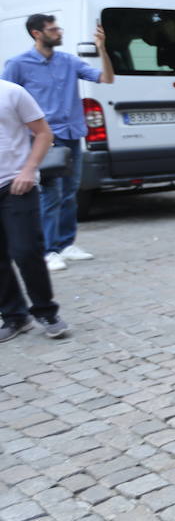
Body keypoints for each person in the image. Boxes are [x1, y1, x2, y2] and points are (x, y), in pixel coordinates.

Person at [3, 14, 113, 273]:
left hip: (72, 135)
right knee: (51, 194)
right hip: (43, 137)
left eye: (58, 28)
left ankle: (65, 244)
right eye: (53, 29)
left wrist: (102, 49)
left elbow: (106, 79)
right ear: (36, 33)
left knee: (70, 192)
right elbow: (7, 100)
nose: (59, 32)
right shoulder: (18, 64)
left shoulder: (68, 61)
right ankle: (47, 250)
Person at [0, 78, 68, 340]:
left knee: (26, 250)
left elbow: (43, 133)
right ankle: (14, 316)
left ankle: (46, 311)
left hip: (16, 184)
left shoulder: (12, 92)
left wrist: (29, 170)